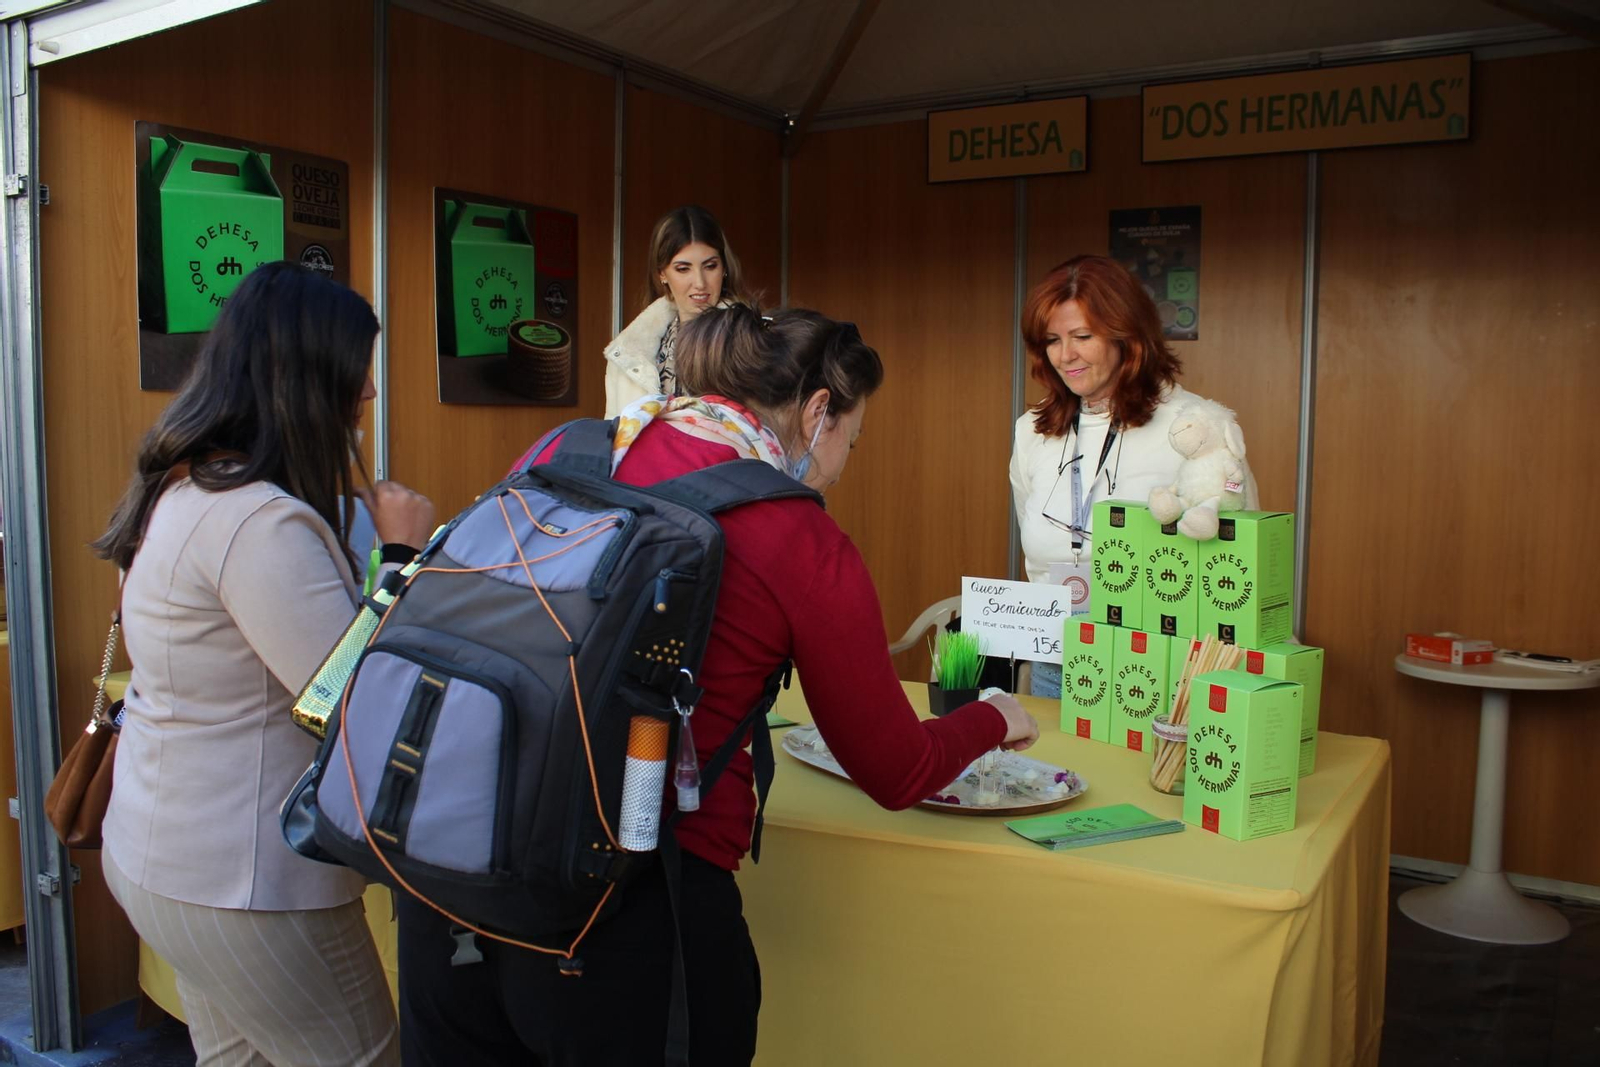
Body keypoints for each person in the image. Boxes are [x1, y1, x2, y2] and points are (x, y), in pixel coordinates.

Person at [398, 306, 1040, 1066]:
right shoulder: (796, 534)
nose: (840, 466)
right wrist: (994, 718)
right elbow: (896, 769)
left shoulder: (568, 444)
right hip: (632, 910)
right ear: (816, 412)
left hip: (454, 877)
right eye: (850, 441)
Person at [94, 262, 435, 1067]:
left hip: (169, 857)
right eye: (360, 371)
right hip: (246, 878)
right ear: (309, 378)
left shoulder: (186, 490)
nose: (371, 393)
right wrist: (401, 556)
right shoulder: (258, 522)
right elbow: (349, 699)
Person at [1009, 254, 1259, 697]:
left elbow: (1243, 555)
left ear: (1127, 336)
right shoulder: (1032, 431)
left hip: (1161, 668)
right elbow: (1037, 560)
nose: (1065, 356)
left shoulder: (1195, 425)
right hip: (1058, 662)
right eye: (1051, 340)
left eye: (1082, 336)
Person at [604, 205, 749, 417]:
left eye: (710, 266)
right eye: (683, 269)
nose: (700, 282)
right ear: (662, 273)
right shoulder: (628, 353)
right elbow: (614, 438)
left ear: (724, 268)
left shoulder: (752, 342)